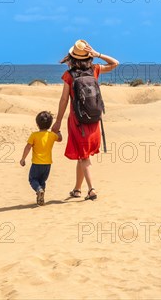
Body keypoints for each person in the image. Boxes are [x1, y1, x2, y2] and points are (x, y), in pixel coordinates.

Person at [51, 40, 119, 201]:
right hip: (94, 120)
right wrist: (98, 54)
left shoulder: (69, 75)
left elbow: (64, 100)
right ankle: (77, 189)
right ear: (88, 56)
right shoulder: (94, 69)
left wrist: (58, 122)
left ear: (73, 57)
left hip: (77, 121)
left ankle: (91, 189)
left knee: (84, 157)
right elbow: (115, 63)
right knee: (83, 155)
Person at [20, 111, 62, 206]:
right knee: (42, 181)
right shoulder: (51, 135)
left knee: (33, 179)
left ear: (37, 124)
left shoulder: (34, 135)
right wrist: (57, 131)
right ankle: (40, 197)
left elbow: (28, 147)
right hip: (47, 164)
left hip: (36, 164)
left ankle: (39, 190)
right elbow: (60, 139)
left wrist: (23, 159)